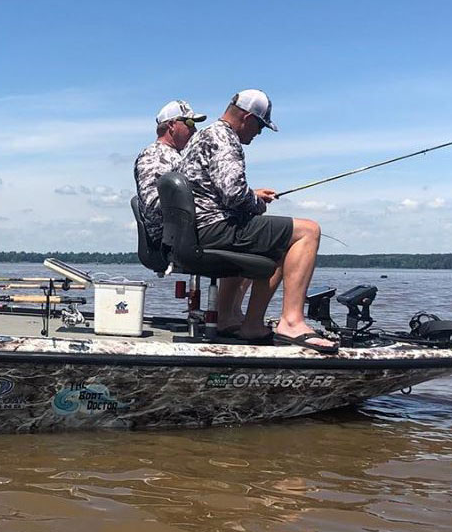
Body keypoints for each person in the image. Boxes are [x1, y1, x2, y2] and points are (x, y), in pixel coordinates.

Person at [172, 89, 337, 353]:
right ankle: (291, 322)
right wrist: (257, 203)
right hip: (214, 229)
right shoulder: (226, 139)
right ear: (247, 118)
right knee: (308, 231)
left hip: (196, 229)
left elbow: (215, 188)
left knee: (270, 236)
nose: (258, 133)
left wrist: (253, 194)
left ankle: (227, 317)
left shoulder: (204, 135)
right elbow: (234, 195)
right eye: (259, 126)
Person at [133, 100, 206, 243]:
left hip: (186, 231)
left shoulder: (178, 155)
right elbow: (153, 205)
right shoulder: (154, 155)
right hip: (172, 237)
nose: (195, 130)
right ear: (172, 125)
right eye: (190, 123)